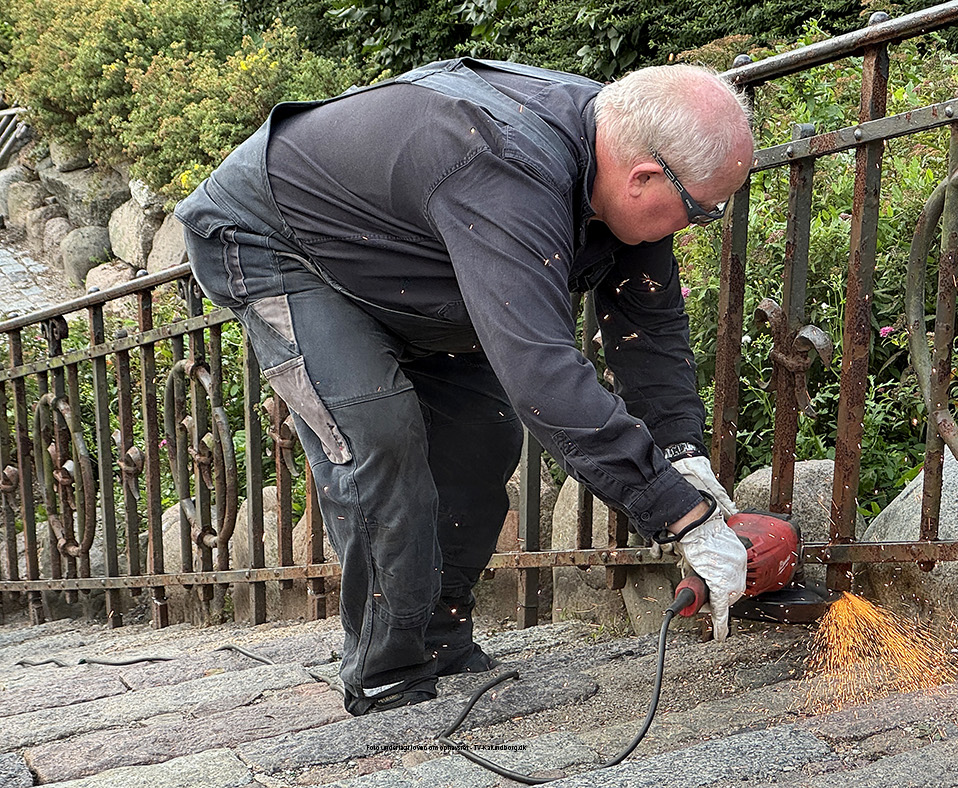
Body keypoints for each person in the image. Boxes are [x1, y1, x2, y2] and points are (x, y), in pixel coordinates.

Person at [174, 58, 754, 716]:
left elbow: (648, 330)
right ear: (647, 178)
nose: (698, 223)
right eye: (701, 211)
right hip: (277, 241)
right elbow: (543, 376)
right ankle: (387, 672)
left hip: (410, 258)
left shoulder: (624, 146)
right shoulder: (507, 169)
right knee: (379, 436)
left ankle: (440, 636)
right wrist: (683, 517)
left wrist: (682, 455)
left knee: (485, 432)